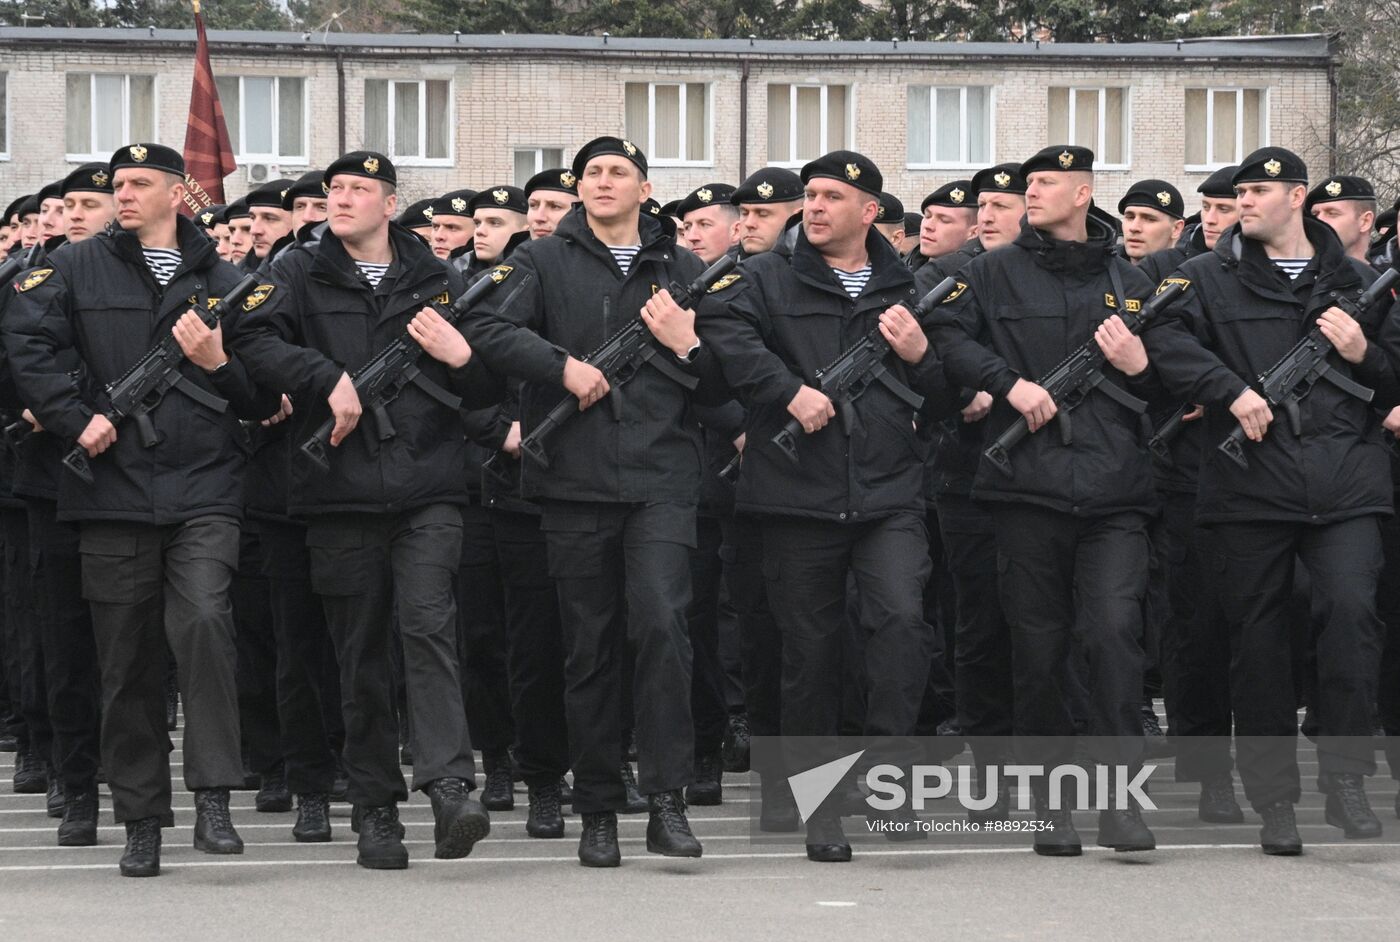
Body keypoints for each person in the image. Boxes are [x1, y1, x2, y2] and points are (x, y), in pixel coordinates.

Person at [4, 142, 282, 878]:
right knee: (125, 659)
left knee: (203, 627)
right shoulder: (69, 266)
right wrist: (72, 415)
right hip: (110, 490)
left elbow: (259, 396)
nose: (122, 195)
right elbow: (27, 345)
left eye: (137, 184)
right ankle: (142, 818)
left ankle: (215, 797)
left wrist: (219, 362)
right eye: (117, 185)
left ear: (177, 194)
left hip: (206, 486)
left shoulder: (227, 280)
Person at [231, 150, 500, 870]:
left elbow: (480, 388)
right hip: (339, 492)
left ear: (389, 202)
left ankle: (449, 788)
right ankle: (376, 810)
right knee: (360, 656)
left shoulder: (438, 278)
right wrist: (328, 379)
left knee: (428, 628)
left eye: (359, 190)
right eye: (334, 190)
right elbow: (250, 337)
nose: (341, 199)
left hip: (429, 486)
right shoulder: (294, 270)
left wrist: (461, 352)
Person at [466, 136, 727, 868]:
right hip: (575, 481)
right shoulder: (541, 259)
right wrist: (564, 367)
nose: (602, 182)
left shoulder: (686, 268)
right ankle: (600, 808)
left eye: (618, 172)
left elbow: (723, 385)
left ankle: (667, 800)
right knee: (588, 649)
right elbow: (485, 326)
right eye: (592, 174)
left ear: (646, 188)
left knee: (665, 630)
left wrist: (685, 344)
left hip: (664, 481)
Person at [1142, 146, 1397, 855]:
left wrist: (1361, 355)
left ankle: (1346, 778)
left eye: (1257, 191)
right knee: (1257, 643)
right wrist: (1230, 389)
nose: (1243, 201)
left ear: (1298, 199)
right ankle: (1275, 797)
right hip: (1250, 488)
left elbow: (1392, 381)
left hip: (1346, 484)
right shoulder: (1203, 278)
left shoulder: (1359, 281)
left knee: (1350, 622)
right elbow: (1163, 340)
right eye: (1240, 192)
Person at [706, 150, 944, 862]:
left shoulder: (910, 284)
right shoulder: (764, 275)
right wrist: (787, 390)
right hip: (794, 496)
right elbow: (725, 336)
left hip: (888, 493)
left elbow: (945, 394)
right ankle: (821, 807)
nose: (813, 206)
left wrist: (924, 352)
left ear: (870, 212)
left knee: (902, 623)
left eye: (831, 196)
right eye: (809, 195)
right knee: (808, 656)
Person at [930, 145, 1160, 857]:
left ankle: (1121, 802)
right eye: (1027, 183)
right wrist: (1008, 383)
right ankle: (1052, 804)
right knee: (1039, 647)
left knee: (1116, 637)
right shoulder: (990, 272)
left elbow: (1172, 378)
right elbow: (945, 335)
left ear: (1084, 192)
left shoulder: (1134, 278)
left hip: (1115, 491)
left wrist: (1141, 364)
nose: (1031, 193)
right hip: (1025, 489)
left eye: (1045, 183)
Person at [1307, 175, 1377, 263]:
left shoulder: (1391, 275)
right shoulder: (1302, 274)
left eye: (1332, 213)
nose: (1319, 220)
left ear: (1365, 221)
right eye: (1315, 214)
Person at [1119, 180, 1185, 264]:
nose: (1134, 228)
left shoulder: (1192, 274)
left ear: (1176, 229)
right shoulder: (1103, 269)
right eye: (1130, 217)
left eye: (1149, 219)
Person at [677, 183, 739, 264]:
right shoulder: (678, 273)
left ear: (736, 231)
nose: (692, 237)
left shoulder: (754, 274)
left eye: (704, 225)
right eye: (687, 227)